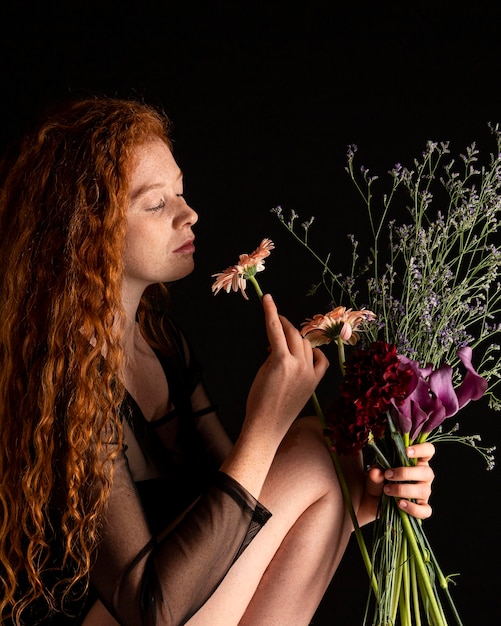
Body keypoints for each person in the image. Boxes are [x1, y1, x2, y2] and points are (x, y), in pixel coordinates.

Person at [0, 97, 435, 626]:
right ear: (86, 230)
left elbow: (239, 524)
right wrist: (266, 426)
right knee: (308, 442)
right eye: (156, 204)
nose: (190, 214)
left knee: (328, 452)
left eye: (180, 193)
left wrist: (362, 499)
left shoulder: (162, 344)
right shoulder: (63, 381)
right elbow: (152, 607)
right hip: (131, 613)